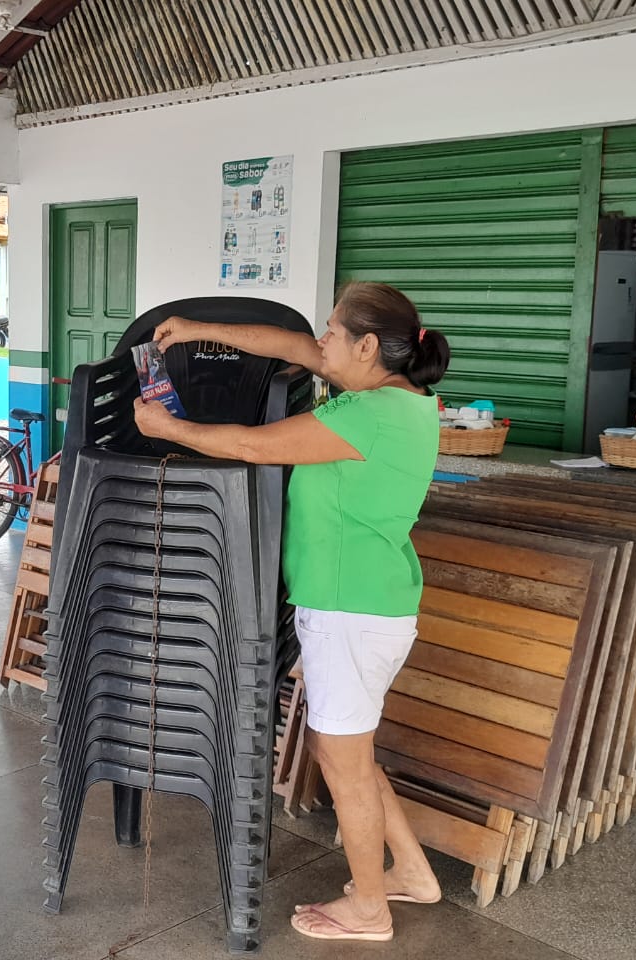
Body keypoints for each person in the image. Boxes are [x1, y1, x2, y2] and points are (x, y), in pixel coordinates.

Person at [132, 282, 450, 944]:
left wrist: (170, 429)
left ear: (367, 346)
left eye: (334, 331)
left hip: (349, 610)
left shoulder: (370, 416)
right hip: (367, 604)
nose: (321, 340)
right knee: (353, 752)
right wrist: (195, 328)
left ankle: (370, 909)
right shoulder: (398, 398)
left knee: (343, 762)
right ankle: (412, 872)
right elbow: (292, 345)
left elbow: (253, 446)